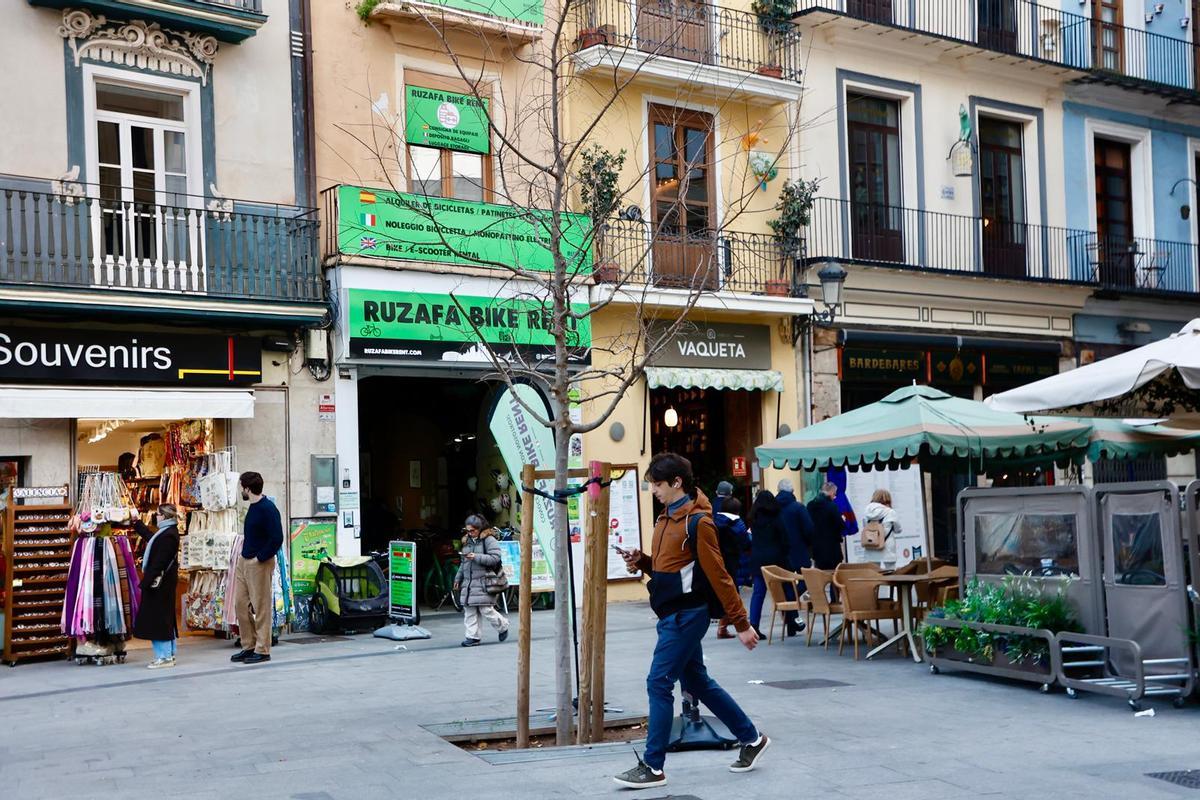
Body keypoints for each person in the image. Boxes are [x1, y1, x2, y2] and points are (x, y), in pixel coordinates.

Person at [614, 453, 770, 789]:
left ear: (677, 483)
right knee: (697, 682)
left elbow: (720, 576)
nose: (653, 489)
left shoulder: (699, 522)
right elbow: (667, 567)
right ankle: (752, 739)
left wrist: (741, 624)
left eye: (657, 484)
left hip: (687, 615)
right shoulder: (665, 518)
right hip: (671, 613)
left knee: (658, 682)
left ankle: (653, 766)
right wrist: (641, 561)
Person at [231, 471, 284, 666]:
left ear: (247, 488)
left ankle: (263, 649)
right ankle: (249, 645)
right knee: (240, 604)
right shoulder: (253, 507)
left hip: (258, 563)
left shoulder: (268, 508)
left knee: (261, 607)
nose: (240, 491)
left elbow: (277, 538)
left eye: (241, 487)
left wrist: (260, 558)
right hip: (244, 561)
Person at [132, 504, 181, 669]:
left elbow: (160, 561)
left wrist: (146, 582)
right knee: (164, 617)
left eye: (158, 514)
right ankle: (169, 654)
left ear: (165, 516)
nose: (156, 516)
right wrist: (137, 523)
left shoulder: (169, 535)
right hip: (163, 582)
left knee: (158, 618)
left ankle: (164, 656)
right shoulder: (167, 532)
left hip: (160, 584)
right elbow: (151, 538)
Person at [746, 490, 799, 639]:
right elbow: (785, 539)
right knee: (787, 589)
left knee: (758, 593)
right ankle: (791, 622)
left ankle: (754, 625)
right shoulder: (776, 517)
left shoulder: (753, 519)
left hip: (758, 560)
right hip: (778, 559)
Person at [453, 514, 510, 647]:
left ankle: (503, 626)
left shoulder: (489, 540)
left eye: (473, 530)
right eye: (468, 530)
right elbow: (463, 563)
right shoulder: (466, 541)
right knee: (470, 610)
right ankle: (472, 637)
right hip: (469, 582)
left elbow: (495, 558)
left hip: (484, 581)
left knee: (486, 609)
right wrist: (458, 578)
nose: (470, 533)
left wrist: (476, 557)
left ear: (480, 528)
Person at [775, 479, 813, 637]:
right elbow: (809, 529)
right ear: (792, 492)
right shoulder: (798, 507)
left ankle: (791, 620)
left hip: (782, 552)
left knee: (786, 586)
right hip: (799, 551)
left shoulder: (774, 508)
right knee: (806, 580)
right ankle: (792, 603)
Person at [714, 496, 752, 640]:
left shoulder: (713, 521)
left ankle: (723, 627)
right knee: (732, 595)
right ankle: (730, 626)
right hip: (732, 562)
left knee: (727, 594)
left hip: (717, 562)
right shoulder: (737, 523)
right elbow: (745, 542)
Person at [806, 481, 846, 571]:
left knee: (820, 576)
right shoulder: (831, 506)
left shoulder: (810, 505)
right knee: (835, 576)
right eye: (834, 494)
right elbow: (840, 525)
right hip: (832, 548)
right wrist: (842, 519)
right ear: (831, 492)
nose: (834, 497)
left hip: (816, 547)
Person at [861, 488, 901, 569]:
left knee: (874, 574)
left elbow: (865, 526)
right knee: (890, 572)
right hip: (887, 547)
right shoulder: (890, 512)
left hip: (871, 546)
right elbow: (898, 529)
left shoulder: (866, 511)